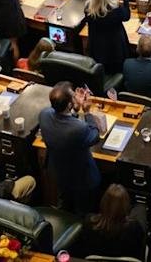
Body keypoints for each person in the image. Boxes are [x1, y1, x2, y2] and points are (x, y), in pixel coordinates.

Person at [38, 82, 102, 212]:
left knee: (66, 204)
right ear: (68, 104)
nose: (75, 97)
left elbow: (63, 119)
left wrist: (74, 110)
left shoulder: (44, 114)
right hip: (82, 178)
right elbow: (95, 135)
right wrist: (87, 112)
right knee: (84, 210)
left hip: (59, 172)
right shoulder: (78, 128)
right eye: (73, 96)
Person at [81, 183, 148, 260]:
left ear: (103, 202)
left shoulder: (88, 222)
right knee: (141, 208)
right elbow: (140, 249)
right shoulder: (134, 228)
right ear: (126, 206)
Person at [85, 0, 131, 74]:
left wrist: (118, 2)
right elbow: (126, 16)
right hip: (115, 53)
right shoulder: (115, 11)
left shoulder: (88, 8)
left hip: (97, 51)